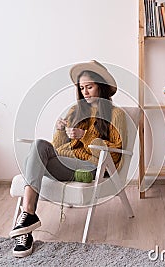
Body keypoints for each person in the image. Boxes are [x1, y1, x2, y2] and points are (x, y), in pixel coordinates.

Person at [10, 60, 127, 257]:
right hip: (66, 163)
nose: (85, 92)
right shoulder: (75, 111)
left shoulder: (116, 115)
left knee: (35, 157)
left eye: (89, 87)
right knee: (39, 145)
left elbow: (115, 154)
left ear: (102, 87)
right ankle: (28, 215)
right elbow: (57, 147)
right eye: (82, 88)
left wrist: (86, 137)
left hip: (91, 167)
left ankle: (26, 220)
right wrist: (59, 130)